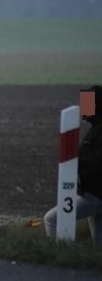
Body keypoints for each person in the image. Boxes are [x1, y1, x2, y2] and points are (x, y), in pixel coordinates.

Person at [43, 85, 102, 247]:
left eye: (88, 104)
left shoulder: (98, 131)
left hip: (94, 195)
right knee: (98, 241)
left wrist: (76, 160)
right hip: (93, 192)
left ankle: (61, 256)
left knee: (52, 219)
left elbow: (96, 163)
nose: (84, 109)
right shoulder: (96, 129)